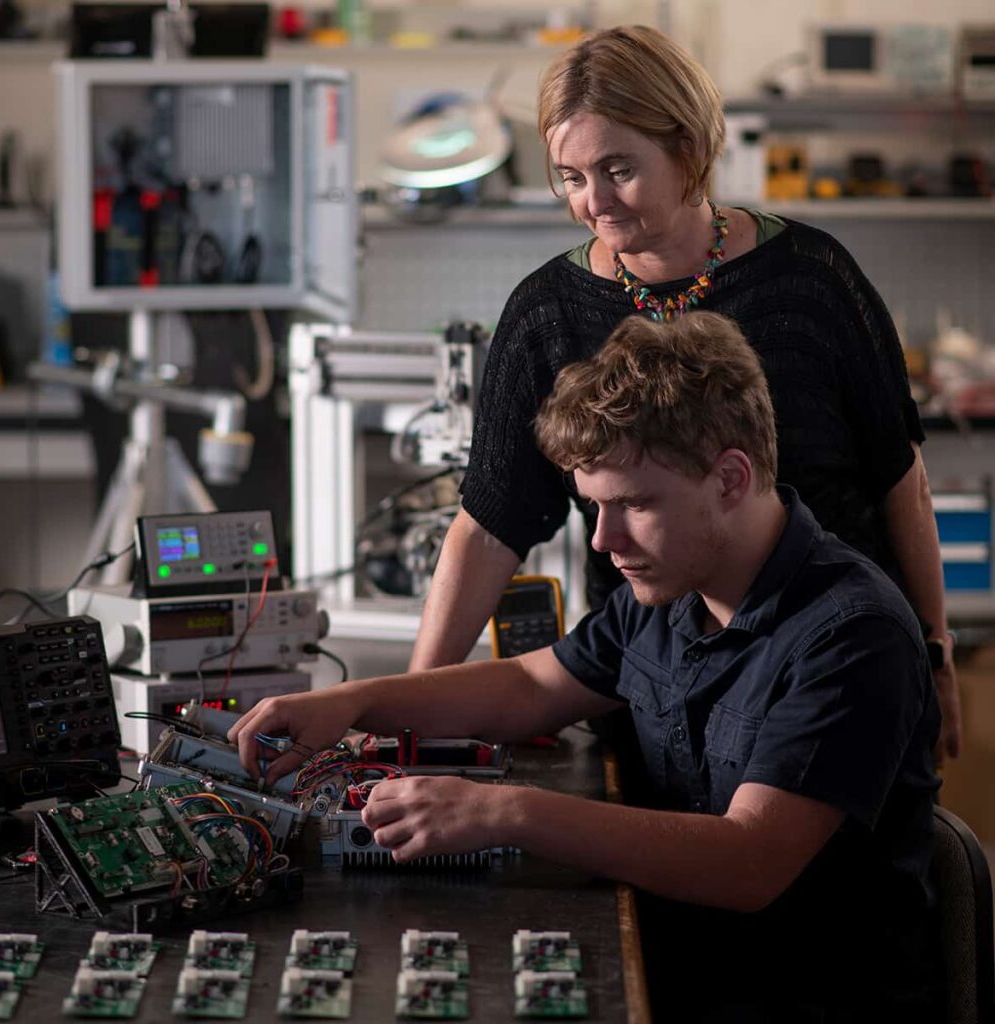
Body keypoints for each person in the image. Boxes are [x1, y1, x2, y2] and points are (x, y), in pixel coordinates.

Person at [231, 312, 943, 1022]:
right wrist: (355, 703)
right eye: (595, 506)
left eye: (633, 504)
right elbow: (533, 683)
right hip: (677, 962)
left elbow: (748, 860)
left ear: (731, 479)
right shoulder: (668, 593)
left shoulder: (852, 635)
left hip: (798, 996)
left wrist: (500, 810)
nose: (604, 540)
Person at [407, 24, 960, 764]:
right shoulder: (548, 313)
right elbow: (489, 523)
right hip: (657, 685)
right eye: (571, 178)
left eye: (618, 169)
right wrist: (414, 706)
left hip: (830, 671)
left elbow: (901, 478)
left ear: (689, 152)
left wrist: (934, 650)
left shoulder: (813, 281)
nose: (594, 202)